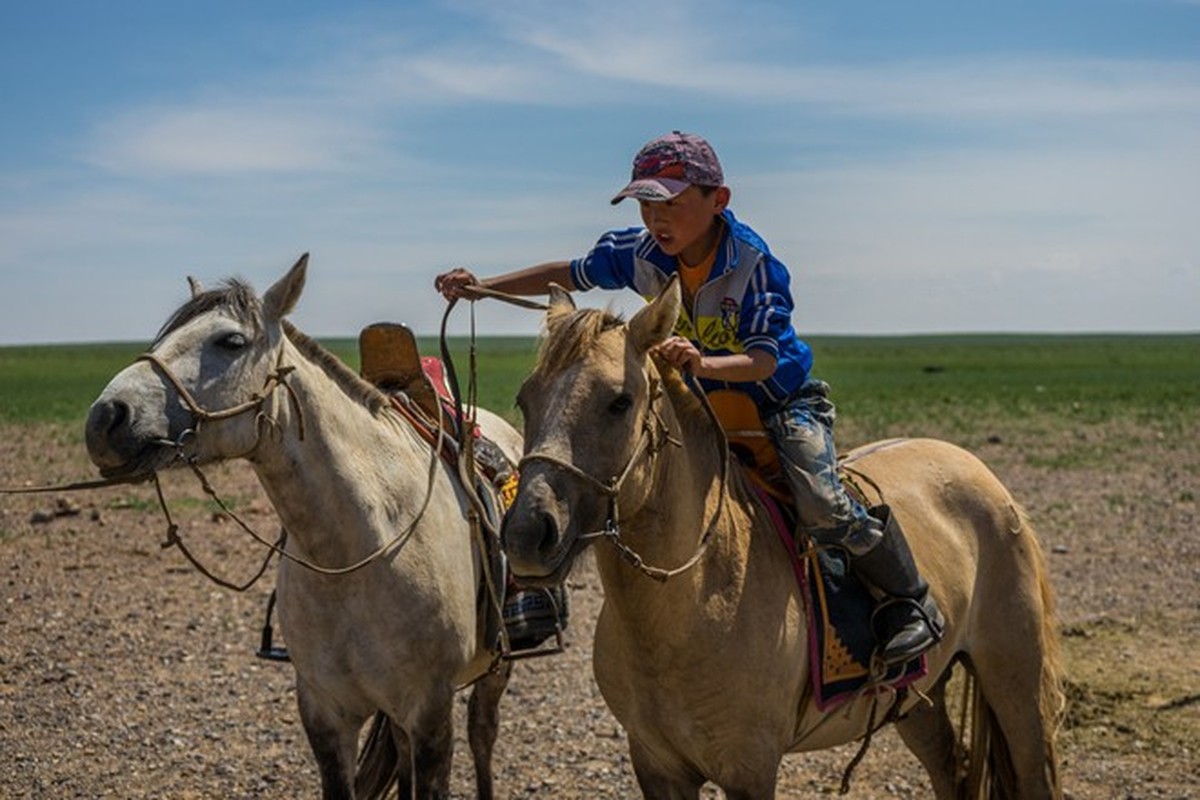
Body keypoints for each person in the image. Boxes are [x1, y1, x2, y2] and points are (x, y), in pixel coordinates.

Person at [435, 131, 942, 666]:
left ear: (717, 200)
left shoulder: (754, 264)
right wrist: (484, 285)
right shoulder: (642, 253)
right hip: (702, 401)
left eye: (672, 203)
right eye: (647, 205)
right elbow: (568, 274)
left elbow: (765, 360)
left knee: (821, 500)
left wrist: (704, 363)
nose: (658, 219)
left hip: (777, 402)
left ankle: (910, 600)